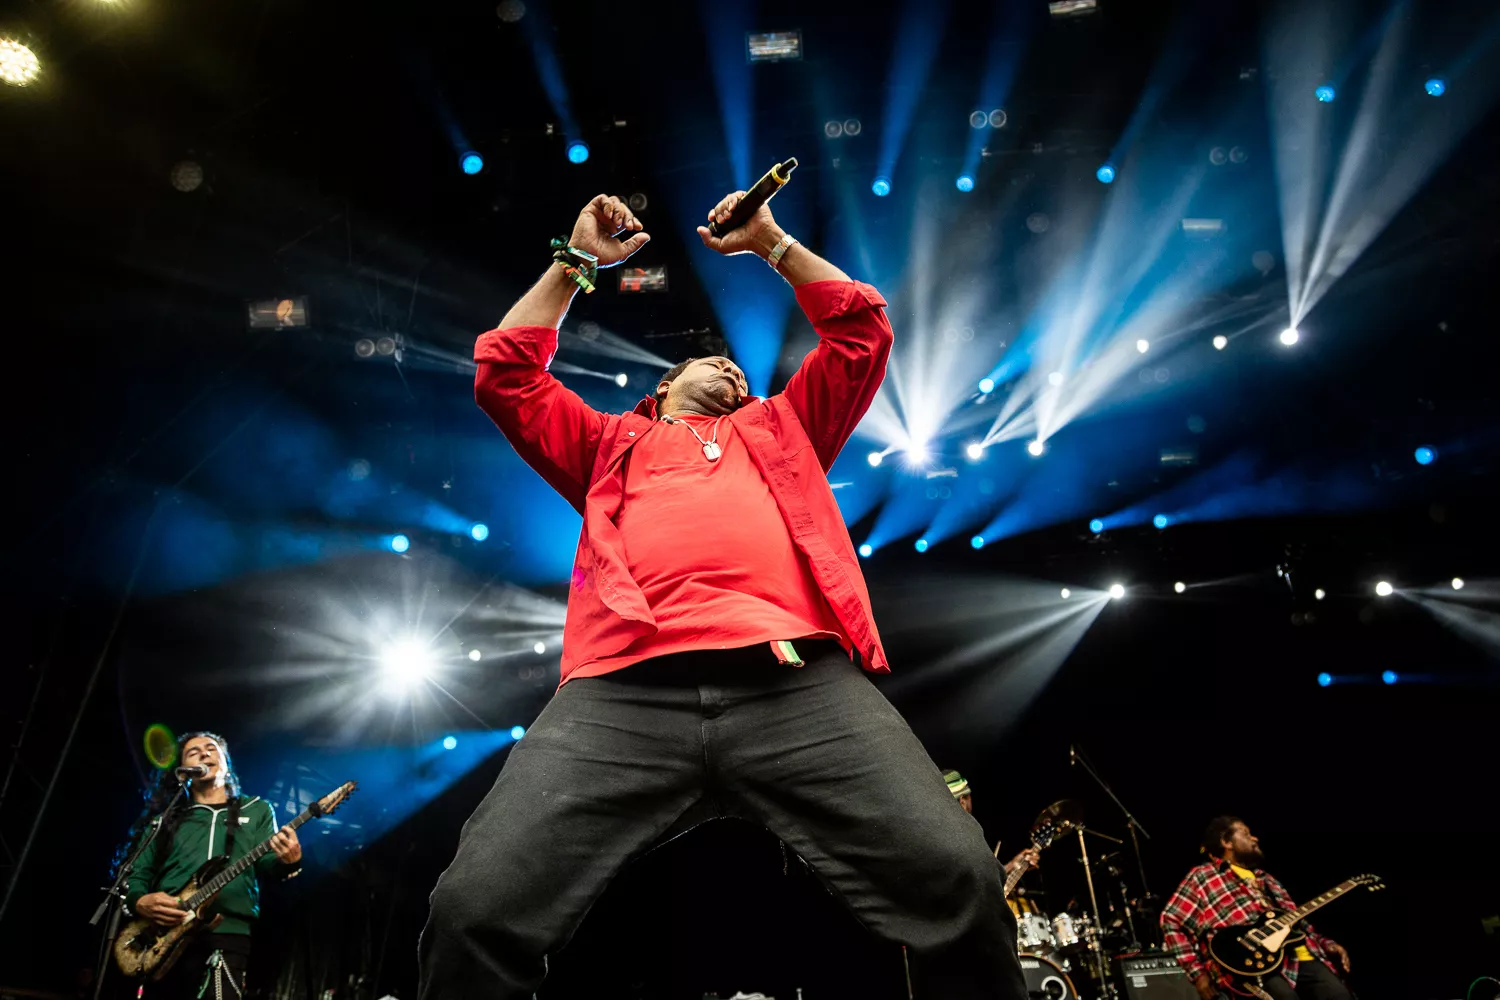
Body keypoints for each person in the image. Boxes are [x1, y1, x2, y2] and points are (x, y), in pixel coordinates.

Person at [419, 191, 1028, 1000]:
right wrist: (578, 261)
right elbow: (505, 374)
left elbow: (861, 332)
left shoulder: (785, 428)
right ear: (666, 384)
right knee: (471, 907)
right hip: (622, 692)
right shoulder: (607, 443)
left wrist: (771, 243)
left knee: (961, 874)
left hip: (795, 682)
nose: (734, 370)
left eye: (738, 369)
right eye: (715, 364)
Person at [117, 731, 303, 1000]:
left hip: (227, 932)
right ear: (183, 770)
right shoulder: (165, 820)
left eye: (211, 749)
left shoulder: (257, 809)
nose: (204, 754)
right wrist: (139, 900)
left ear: (226, 762)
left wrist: (290, 861)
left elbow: (270, 865)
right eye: (193, 752)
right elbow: (136, 873)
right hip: (164, 934)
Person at [1160, 817, 1353, 1000]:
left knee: (1340, 995)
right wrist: (1198, 974)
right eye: (1246, 833)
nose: (1255, 838)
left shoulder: (1268, 880)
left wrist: (1326, 944)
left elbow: (1299, 924)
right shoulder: (1204, 876)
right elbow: (1170, 920)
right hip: (1250, 965)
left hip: (1299, 956)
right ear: (1226, 842)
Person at [942, 770, 1040, 877]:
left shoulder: (938, 841)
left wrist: (1012, 865)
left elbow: (982, 881)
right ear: (963, 802)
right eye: (969, 797)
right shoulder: (966, 842)